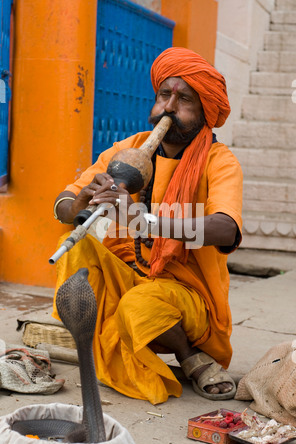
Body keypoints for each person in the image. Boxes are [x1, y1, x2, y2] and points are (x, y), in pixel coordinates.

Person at [52, 47, 243, 405]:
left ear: (205, 111)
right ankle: (105, 343)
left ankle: (189, 356)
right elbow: (63, 202)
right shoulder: (130, 148)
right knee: (76, 247)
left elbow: (226, 230)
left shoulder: (219, 161)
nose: (169, 108)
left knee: (139, 306)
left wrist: (144, 221)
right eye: (164, 95)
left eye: (184, 99)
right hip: (130, 275)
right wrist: (78, 204)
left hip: (185, 294)